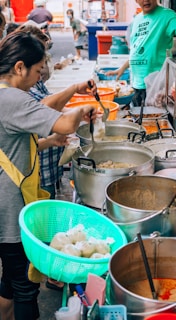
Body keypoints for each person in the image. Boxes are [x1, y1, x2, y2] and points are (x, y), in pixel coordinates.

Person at [0, 30, 97, 320]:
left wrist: (45, 142)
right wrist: (83, 109)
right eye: (38, 71)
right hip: (9, 209)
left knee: (11, 278)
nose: (40, 78)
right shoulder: (12, 99)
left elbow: (10, 142)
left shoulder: (4, 95)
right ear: (20, 67)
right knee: (26, 286)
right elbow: (65, 123)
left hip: (6, 199)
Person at [107, 0, 176, 106]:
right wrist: (123, 68)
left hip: (157, 85)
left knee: (156, 120)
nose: (146, 0)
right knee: (138, 120)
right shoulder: (137, 19)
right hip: (137, 84)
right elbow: (137, 50)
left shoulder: (167, 15)